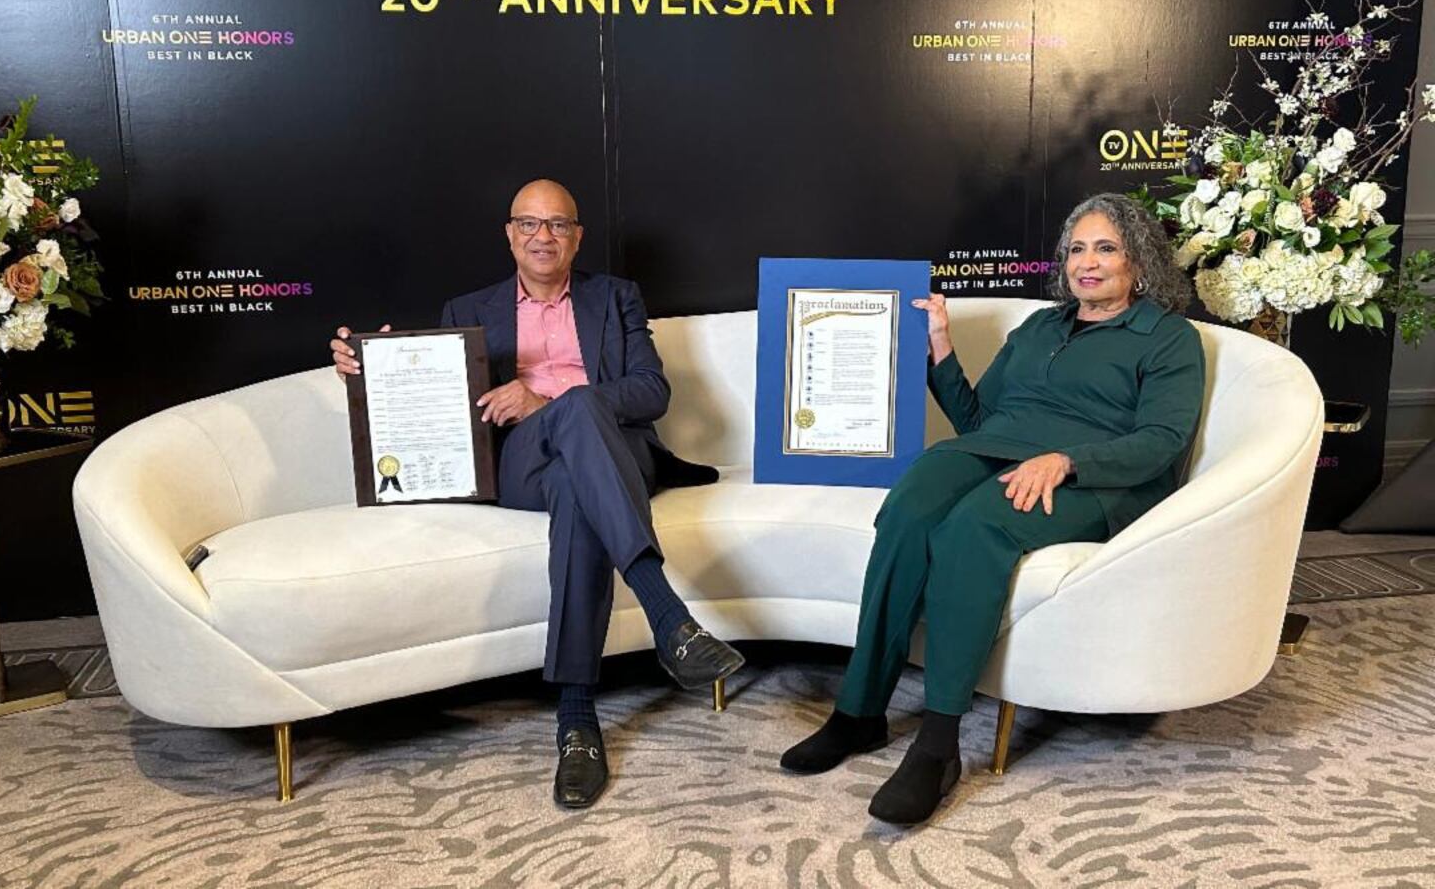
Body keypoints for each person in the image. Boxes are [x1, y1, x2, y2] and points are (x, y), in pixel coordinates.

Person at [780, 192, 1205, 826]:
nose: (1087, 263)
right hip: (1000, 451)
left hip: (1096, 479)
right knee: (911, 506)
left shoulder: (1168, 339)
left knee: (972, 526)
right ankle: (859, 712)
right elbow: (979, 420)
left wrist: (1067, 459)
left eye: (1106, 248)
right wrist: (941, 345)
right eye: (1077, 249)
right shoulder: (1039, 328)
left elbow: (1163, 441)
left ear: (1139, 264)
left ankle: (938, 744)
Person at [330, 179, 742, 810]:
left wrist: (553, 402)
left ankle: (576, 722)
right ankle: (669, 619)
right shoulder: (467, 309)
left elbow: (650, 392)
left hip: (614, 452)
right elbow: (441, 408)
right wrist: (371, 369)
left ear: (577, 237)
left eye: (557, 225)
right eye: (529, 224)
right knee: (572, 428)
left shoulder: (616, 298)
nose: (542, 237)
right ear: (509, 234)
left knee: (579, 449)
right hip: (521, 462)